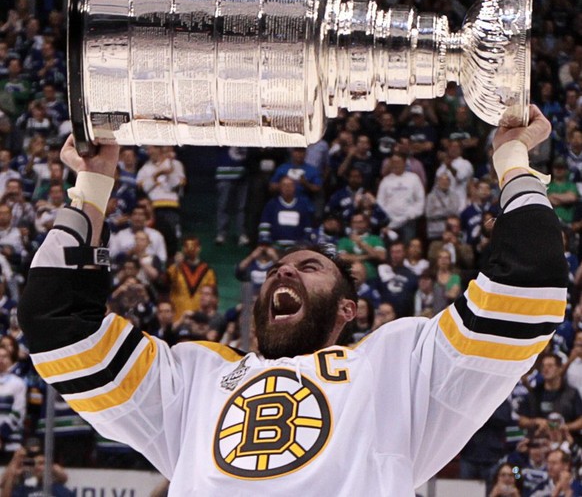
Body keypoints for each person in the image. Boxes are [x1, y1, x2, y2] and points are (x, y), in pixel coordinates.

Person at [18, 106, 569, 495]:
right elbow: (57, 328)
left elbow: (528, 287)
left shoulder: (396, 366)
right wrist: (91, 187)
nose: (286, 273)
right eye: (279, 269)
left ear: (348, 309)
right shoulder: (195, 380)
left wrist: (513, 159)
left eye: (310, 268)